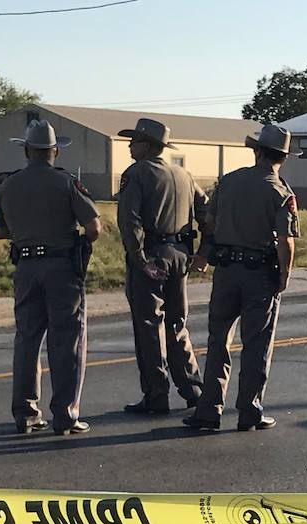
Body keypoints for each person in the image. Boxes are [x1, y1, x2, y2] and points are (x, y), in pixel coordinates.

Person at [183, 124, 300, 432]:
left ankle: (209, 411)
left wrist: (205, 255)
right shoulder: (281, 192)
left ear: (256, 151)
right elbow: (286, 241)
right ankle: (249, 411)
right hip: (260, 275)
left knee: (218, 340)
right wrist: (284, 276)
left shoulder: (229, 182)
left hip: (225, 273)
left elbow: (209, 223)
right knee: (256, 344)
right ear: (283, 159)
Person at [0, 120, 101, 435]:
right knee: (66, 341)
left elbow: (0, 231)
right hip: (61, 267)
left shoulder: (8, 185)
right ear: (54, 151)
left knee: (27, 340)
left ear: (26, 150)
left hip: (25, 267)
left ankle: (26, 413)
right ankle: (65, 415)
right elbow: (93, 227)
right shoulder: (65, 183)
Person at [117, 118, 208, 415]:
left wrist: (139, 258)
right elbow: (208, 214)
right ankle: (193, 389)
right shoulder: (184, 175)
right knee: (177, 324)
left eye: (134, 142)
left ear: (146, 145)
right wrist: (204, 252)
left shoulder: (136, 174)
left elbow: (129, 221)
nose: (130, 146)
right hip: (180, 254)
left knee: (149, 327)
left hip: (152, 257)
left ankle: (156, 394)